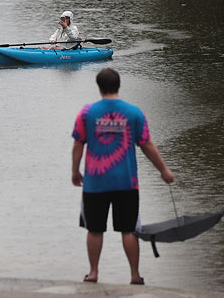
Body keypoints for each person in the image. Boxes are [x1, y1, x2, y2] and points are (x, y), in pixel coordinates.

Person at [71, 68, 174, 285]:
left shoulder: (86, 113)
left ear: (99, 87)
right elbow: (146, 144)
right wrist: (163, 170)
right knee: (128, 229)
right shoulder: (134, 113)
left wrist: (74, 171)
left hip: (95, 182)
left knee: (95, 229)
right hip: (126, 182)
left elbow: (78, 145)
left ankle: (93, 273)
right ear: (119, 85)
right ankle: (135, 276)